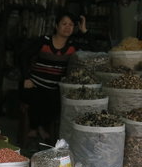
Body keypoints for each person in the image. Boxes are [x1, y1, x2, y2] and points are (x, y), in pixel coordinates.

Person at [22, 11, 91, 142]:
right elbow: (24, 56)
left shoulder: (73, 46)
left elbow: (95, 51)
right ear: (56, 26)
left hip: (55, 88)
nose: (67, 27)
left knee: (60, 102)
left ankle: (37, 127)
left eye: (71, 25)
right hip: (34, 84)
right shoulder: (44, 41)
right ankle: (36, 128)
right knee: (36, 97)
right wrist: (26, 78)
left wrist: (84, 31)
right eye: (64, 23)